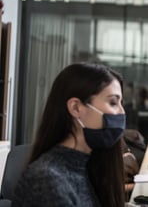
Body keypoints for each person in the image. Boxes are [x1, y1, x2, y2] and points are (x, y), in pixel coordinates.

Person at [13, 63, 126, 206]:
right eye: (113, 102)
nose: (122, 112)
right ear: (76, 108)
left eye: (121, 103)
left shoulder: (87, 166)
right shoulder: (47, 180)